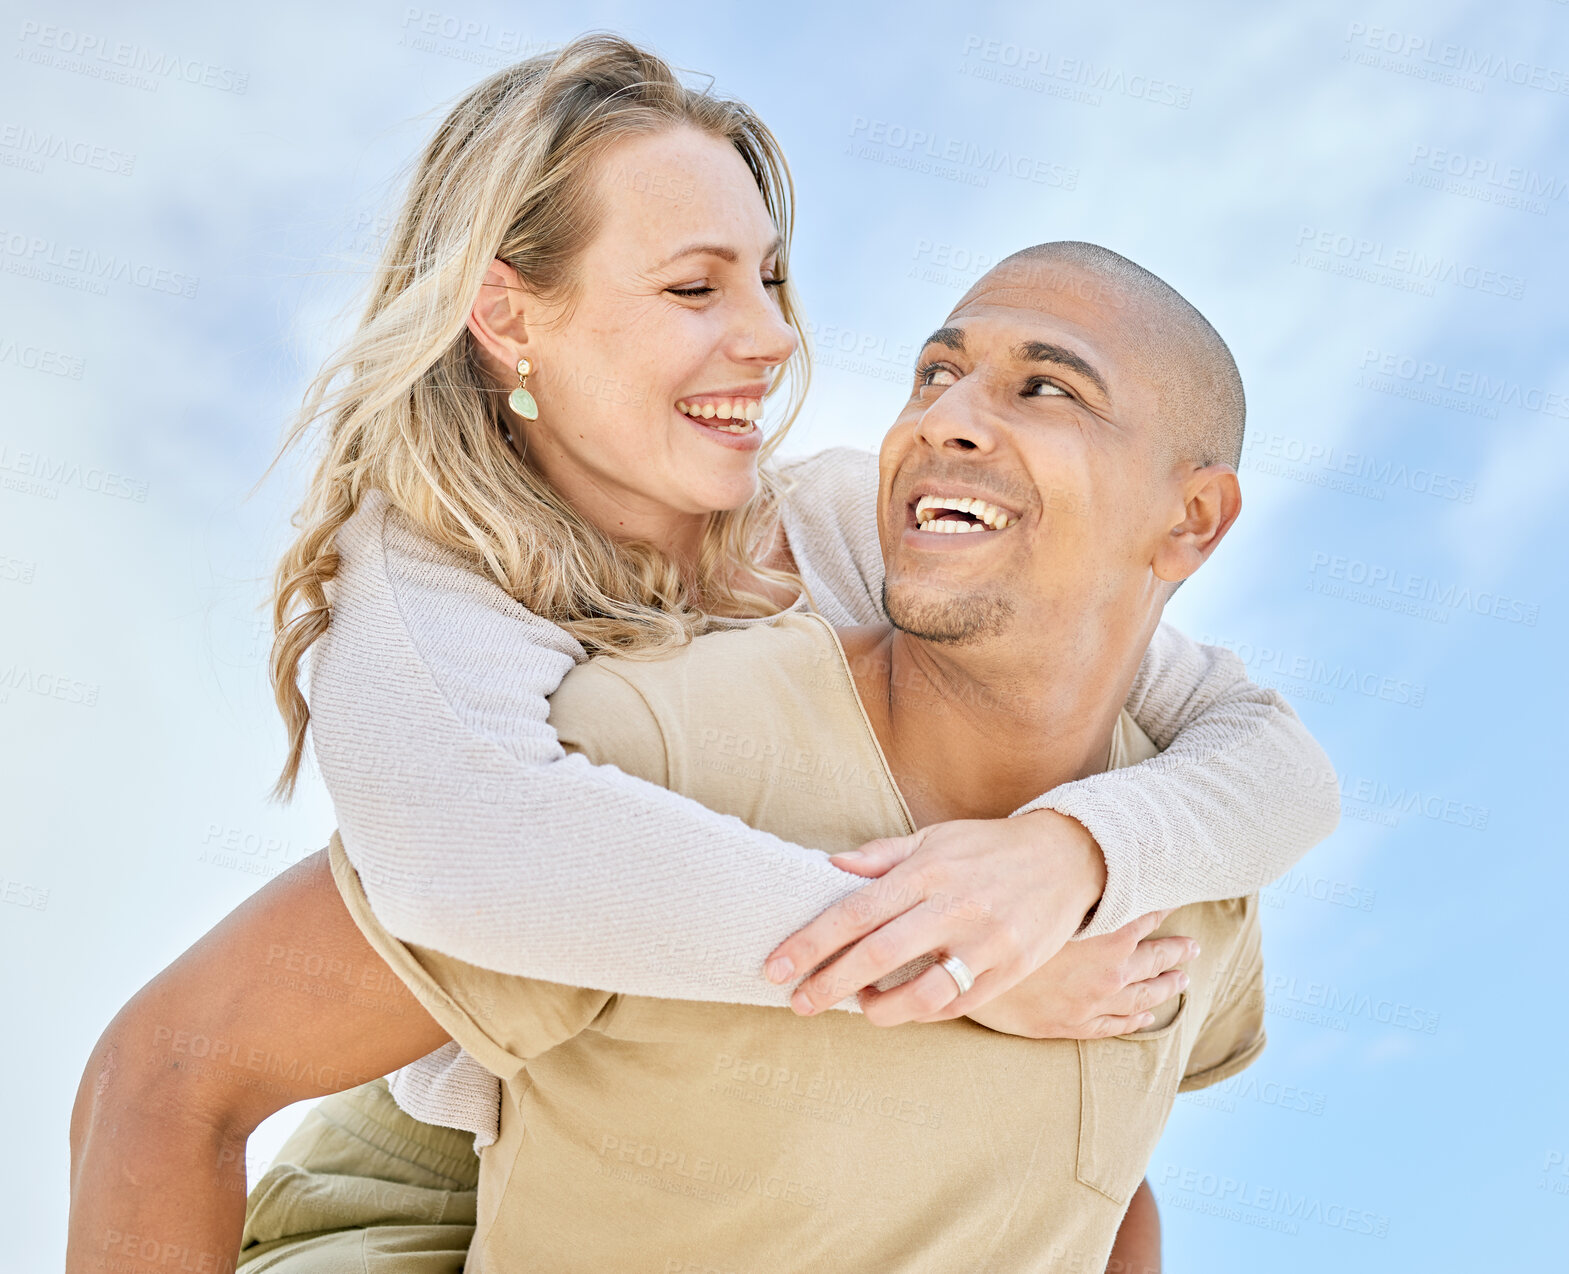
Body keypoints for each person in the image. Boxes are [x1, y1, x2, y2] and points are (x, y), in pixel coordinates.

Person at [69, 241, 1276, 1273]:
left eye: (1048, 387)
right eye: (938, 371)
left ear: (1193, 519)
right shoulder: (622, 729)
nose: (948, 413)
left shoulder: (1194, 863)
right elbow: (170, 1069)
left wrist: (1067, 858)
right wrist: (949, 960)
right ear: (513, 322)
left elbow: (1094, 1173)